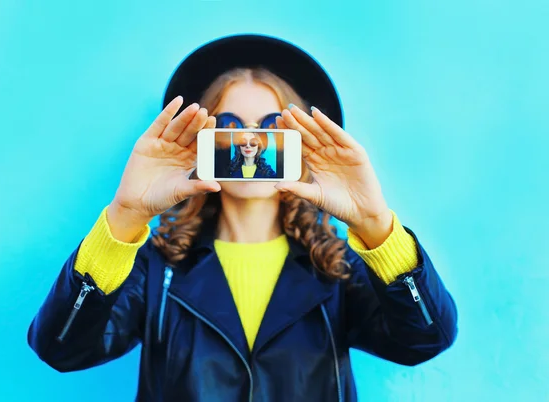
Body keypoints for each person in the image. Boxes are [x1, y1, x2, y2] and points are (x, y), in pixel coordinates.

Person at [28, 34, 458, 402]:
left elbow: (425, 339)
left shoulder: (338, 268)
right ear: (202, 142)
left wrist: (375, 224)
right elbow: (61, 349)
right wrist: (124, 217)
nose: (251, 140)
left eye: (272, 125)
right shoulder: (155, 269)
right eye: (231, 124)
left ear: (300, 144)